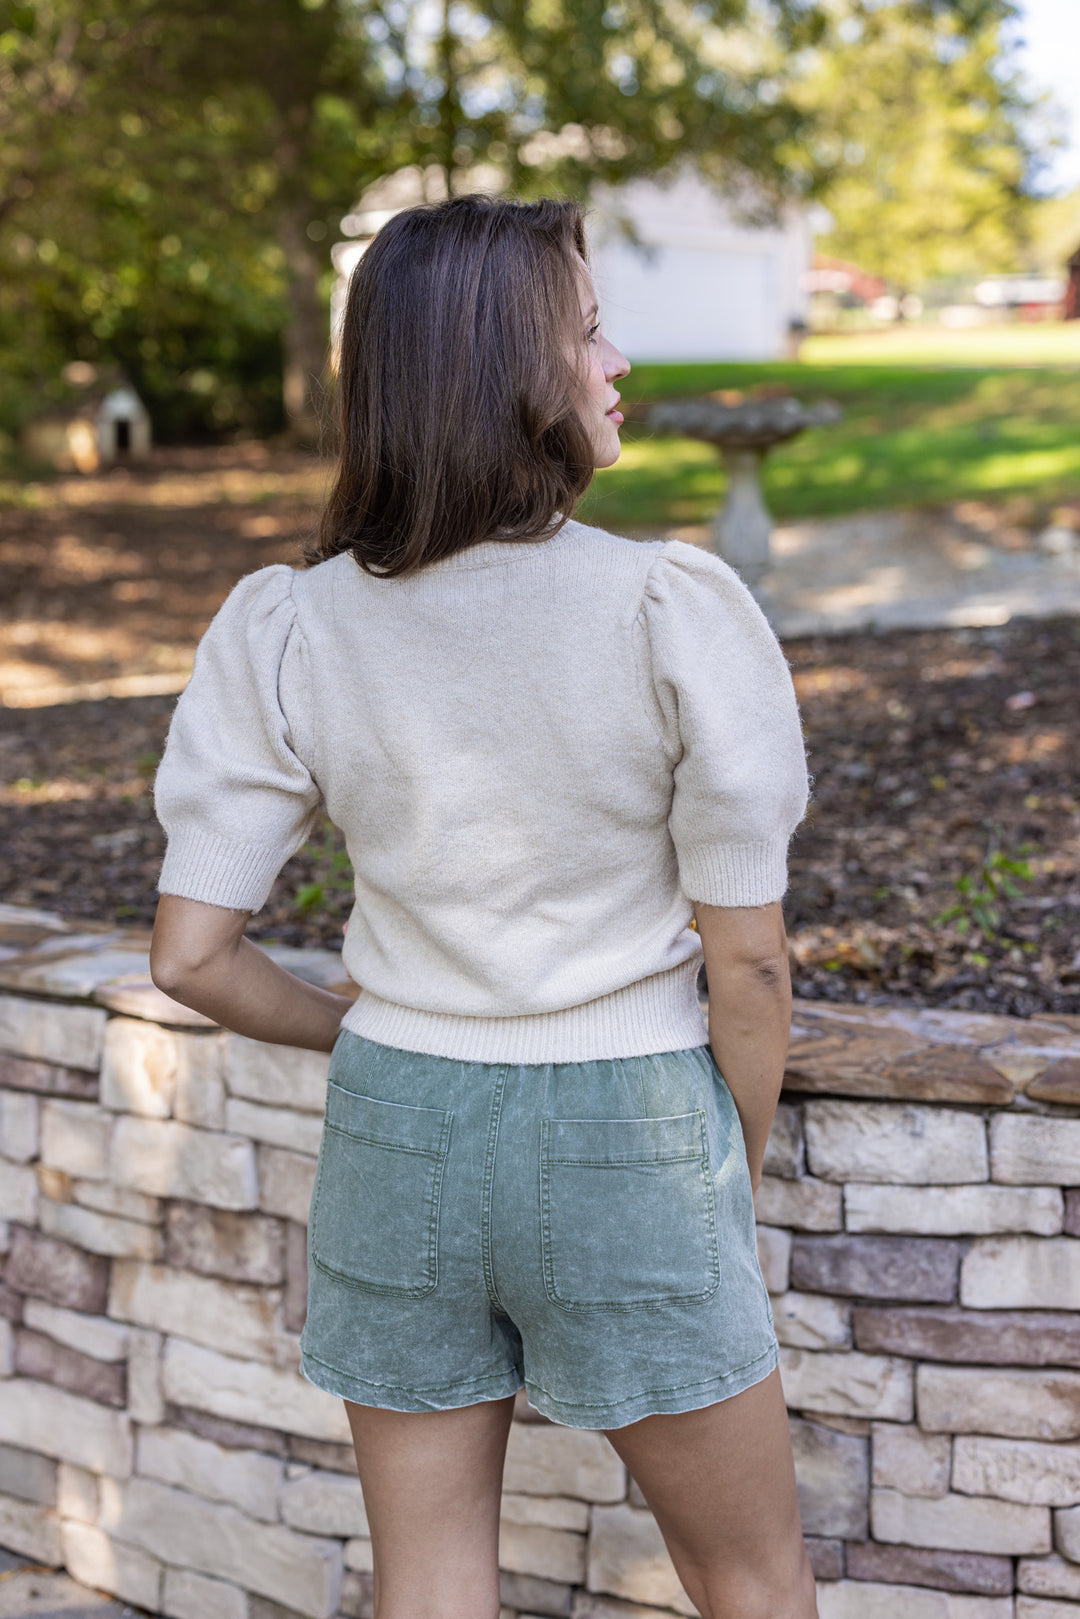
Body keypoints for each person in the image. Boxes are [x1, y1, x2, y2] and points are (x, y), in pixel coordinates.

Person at [150, 194, 817, 1619]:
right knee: (751, 1580)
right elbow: (747, 961)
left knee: (432, 1586)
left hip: (399, 1125)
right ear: (508, 375)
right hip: (630, 1126)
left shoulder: (287, 623)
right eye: (587, 334)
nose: (618, 360)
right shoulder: (669, 609)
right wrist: (722, 1169)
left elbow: (193, 954)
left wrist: (363, 1039)